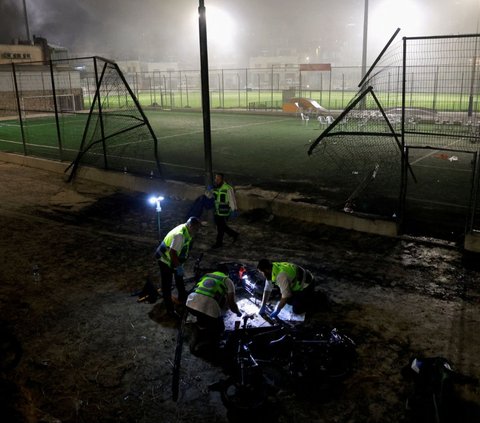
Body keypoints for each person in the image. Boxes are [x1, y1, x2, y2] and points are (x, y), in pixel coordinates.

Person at [186, 265, 242, 352]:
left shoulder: (206, 275)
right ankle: (207, 346)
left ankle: (199, 328)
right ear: (227, 273)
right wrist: (238, 312)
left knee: (202, 314)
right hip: (208, 308)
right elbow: (232, 304)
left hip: (190, 304)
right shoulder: (227, 280)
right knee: (220, 327)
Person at [155, 216, 202, 318]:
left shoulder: (186, 229)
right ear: (190, 225)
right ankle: (170, 310)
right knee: (166, 286)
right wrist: (178, 267)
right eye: (196, 228)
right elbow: (172, 253)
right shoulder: (180, 235)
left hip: (174, 260)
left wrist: (179, 265)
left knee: (179, 278)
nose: (197, 231)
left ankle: (182, 297)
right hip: (165, 261)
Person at [211, 172, 239, 249]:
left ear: (223, 180)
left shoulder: (228, 188)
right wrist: (208, 190)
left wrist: (234, 210)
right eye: (216, 179)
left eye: (218, 179)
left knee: (220, 228)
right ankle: (234, 234)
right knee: (222, 226)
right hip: (216, 211)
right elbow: (209, 196)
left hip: (224, 212)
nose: (216, 180)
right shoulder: (215, 187)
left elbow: (232, 199)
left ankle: (218, 243)